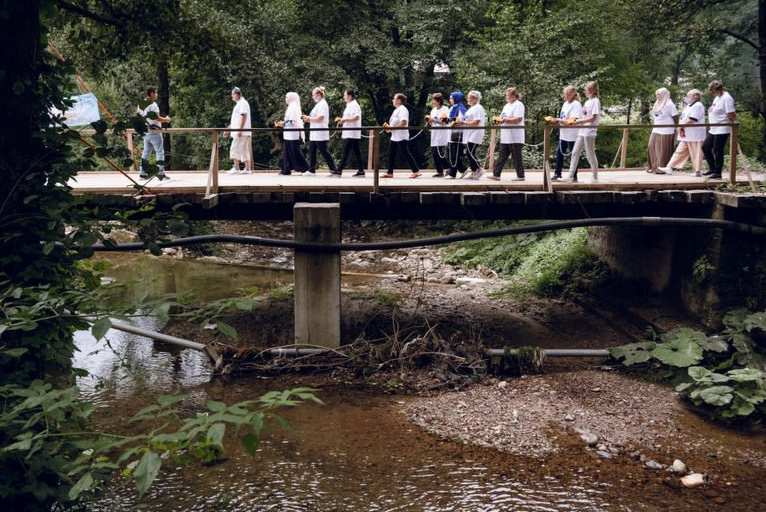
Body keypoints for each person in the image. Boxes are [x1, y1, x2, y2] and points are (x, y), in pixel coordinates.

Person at [658, 89, 706, 176]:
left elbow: (692, 119)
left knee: (696, 153)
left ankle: (698, 171)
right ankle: (669, 167)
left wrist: (681, 126)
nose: (687, 98)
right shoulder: (689, 106)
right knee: (679, 151)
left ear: (696, 96)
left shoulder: (698, 105)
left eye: (689, 96)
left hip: (695, 134)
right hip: (686, 134)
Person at [566, 81, 601, 183]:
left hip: (590, 131)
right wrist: (575, 121)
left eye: (585, 90)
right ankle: (571, 176)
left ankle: (595, 177)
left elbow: (593, 117)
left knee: (590, 154)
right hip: (582, 131)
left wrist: (580, 121)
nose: (584, 91)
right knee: (575, 152)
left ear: (591, 91)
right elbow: (583, 116)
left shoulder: (595, 101)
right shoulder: (586, 102)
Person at [702, 80, 737, 179]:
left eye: (713, 91)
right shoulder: (717, 97)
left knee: (718, 150)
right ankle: (712, 168)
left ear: (719, 89)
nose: (712, 94)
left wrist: (734, 125)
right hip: (714, 128)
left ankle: (718, 172)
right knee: (705, 147)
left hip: (722, 127)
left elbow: (732, 114)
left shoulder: (727, 98)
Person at [491, 87, 525, 181]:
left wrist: (505, 120)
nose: (506, 97)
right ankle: (496, 174)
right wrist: (498, 120)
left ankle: (520, 176)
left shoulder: (518, 105)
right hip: (505, 135)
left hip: (515, 135)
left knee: (516, 156)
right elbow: (502, 117)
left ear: (513, 96)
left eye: (508, 95)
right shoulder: (506, 106)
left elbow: (518, 119)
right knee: (502, 155)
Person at [137, 85, 171, 180]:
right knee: (159, 152)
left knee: (146, 152)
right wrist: (167, 120)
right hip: (155, 131)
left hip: (145, 131)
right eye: (155, 93)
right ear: (151, 94)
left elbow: (139, 117)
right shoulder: (153, 104)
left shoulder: (141, 104)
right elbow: (157, 118)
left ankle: (142, 173)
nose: (156, 94)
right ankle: (161, 173)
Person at [302, 86, 337, 176]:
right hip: (315, 132)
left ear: (318, 94)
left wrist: (309, 118)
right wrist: (308, 119)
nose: (312, 97)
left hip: (320, 131)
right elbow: (315, 117)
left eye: (313, 95)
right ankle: (311, 170)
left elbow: (321, 117)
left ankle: (333, 169)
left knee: (323, 151)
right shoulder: (318, 104)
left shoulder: (323, 104)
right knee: (312, 150)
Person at [383, 93, 420, 178]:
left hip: (401, 136)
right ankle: (390, 172)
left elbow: (404, 122)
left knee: (405, 153)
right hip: (395, 136)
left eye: (394, 98)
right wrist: (389, 128)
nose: (393, 100)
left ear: (399, 100)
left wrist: (392, 128)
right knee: (391, 153)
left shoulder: (403, 109)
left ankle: (416, 171)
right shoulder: (396, 110)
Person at [551, 86, 582, 181]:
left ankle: (574, 175)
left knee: (573, 155)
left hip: (573, 134)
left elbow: (572, 121)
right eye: (565, 94)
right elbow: (563, 117)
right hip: (563, 133)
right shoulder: (565, 104)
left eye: (568, 94)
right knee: (559, 153)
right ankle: (557, 173)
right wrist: (555, 121)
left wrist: (558, 120)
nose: (566, 96)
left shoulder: (576, 104)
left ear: (573, 95)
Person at [332, 89, 365, 177]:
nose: (344, 97)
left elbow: (356, 117)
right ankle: (361, 170)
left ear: (350, 96)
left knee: (346, 151)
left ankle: (339, 170)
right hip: (351, 131)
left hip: (352, 132)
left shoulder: (354, 105)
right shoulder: (349, 105)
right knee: (356, 151)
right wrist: (342, 121)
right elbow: (349, 117)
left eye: (345, 95)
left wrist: (345, 119)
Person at [647, 87, 679, 174]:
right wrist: (652, 112)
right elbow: (657, 115)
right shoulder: (657, 103)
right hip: (656, 128)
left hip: (666, 130)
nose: (657, 96)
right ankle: (653, 166)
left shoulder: (669, 104)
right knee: (651, 147)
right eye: (656, 94)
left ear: (664, 94)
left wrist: (677, 127)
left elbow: (675, 117)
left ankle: (661, 168)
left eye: (659, 94)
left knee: (662, 150)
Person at [276, 92, 308, 175]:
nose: (285, 99)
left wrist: (283, 123)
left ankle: (305, 168)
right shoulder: (291, 107)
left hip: (292, 133)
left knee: (295, 151)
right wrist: (283, 123)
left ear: (291, 98)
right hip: (289, 133)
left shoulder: (293, 108)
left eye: (287, 97)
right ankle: (286, 169)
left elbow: (293, 121)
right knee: (287, 152)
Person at [223, 87, 252, 174]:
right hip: (242, 131)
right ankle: (247, 168)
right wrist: (228, 129)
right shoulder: (240, 103)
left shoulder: (242, 103)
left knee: (234, 148)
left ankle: (236, 168)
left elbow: (244, 116)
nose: (231, 96)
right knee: (244, 150)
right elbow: (236, 120)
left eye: (232, 94)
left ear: (236, 94)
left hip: (241, 132)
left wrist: (239, 130)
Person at [459, 90, 486, 180]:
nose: (467, 99)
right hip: (470, 133)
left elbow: (477, 121)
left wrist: (464, 123)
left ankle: (479, 169)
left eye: (469, 97)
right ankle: (474, 171)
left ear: (474, 98)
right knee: (470, 152)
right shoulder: (470, 108)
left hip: (476, 132)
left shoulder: (478, 107)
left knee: (469, 151)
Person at [445, 91, 468, 180]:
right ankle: (463, 169)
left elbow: (461, 120)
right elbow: (449, 119)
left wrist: (453, 122)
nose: (450, 100)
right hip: (450, 133)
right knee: (452, 154)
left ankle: (453, 173)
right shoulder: (452, 108)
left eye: (451, 98)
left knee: (454, 154)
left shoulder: (461, 108)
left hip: (457, 133)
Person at [426, 92, 450, 177]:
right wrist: (429, 122)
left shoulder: (445, 109)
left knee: (439, 153)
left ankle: (449, 168)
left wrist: (434, 120)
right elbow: (432, 122)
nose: (432, 102)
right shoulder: (433, 110)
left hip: (442, 133)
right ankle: (440, 171)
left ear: (439, 101)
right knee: (434, 153)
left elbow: (444, 121)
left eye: (434, 100)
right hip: (434, 133)